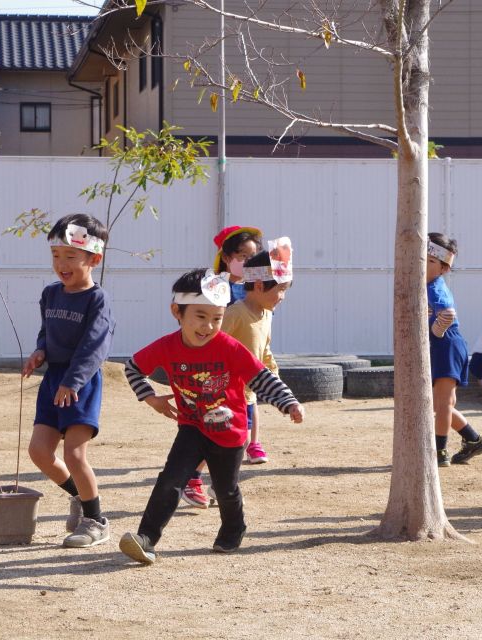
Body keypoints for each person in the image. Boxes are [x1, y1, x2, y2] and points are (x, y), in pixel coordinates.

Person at [120, 268, 304, 565]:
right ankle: (146, 539)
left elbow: (261, 378)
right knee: (171, 481)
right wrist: (150, 398)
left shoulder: (230, 348)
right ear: (176, 312)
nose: (208, 326)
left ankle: (234, 527)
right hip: (191, 427)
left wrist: (289, 403)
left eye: (217, 318)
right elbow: (132, 367)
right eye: (200, 316)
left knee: (224, 488)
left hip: (230, 433)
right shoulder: (167, 346)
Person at [22, 214, 115, 548]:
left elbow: (95, 346)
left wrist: (73, 382)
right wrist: (40, 352)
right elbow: (47, 332)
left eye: (70, 256)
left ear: (94, 259)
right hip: (53, 380)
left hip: (81, 383)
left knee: (75, 456)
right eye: (55, 255)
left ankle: (96, 521)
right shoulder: (50, 294)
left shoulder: (97, 299)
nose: (61, 263)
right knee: (39, 451)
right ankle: (80, 497)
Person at [182, 225, 263, 508]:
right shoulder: (216, 287)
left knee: (238, 430)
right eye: (242, 255)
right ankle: (193, 478)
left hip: (243, 371)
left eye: (253, 257)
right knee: (215, 427)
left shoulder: (255, 290)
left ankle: (221, 482)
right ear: (227, 257)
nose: (247, 262)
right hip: (219, 369)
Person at [222, 239, 293, 466]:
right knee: (224, 441)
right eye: (280, 290)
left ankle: (219, 484)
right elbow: (213, 344)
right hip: (226, 391)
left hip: (248, 391)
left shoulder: (267, 315)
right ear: (260, 286)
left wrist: (274, 377)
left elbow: (265, 351)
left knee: (239, 441)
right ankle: (194, 478)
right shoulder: (235, 314)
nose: (282, 297)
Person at [427, 232, 482, 467]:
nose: (425, 264)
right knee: (441, 404)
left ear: (444, 268)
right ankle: (473, 440)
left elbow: (447, 313)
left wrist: (435, 331)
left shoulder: (434, 288)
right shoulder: (429, 284)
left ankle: (440, 452)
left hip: (447, 344)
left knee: (442, 405)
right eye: (423, 258)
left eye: (432, 262)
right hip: (448, 344)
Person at [213, 225, 263, 304]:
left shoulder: (256, 286)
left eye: (252, 256)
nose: (249, 261)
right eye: (244, 256)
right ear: (226, 258)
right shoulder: (214, 286)